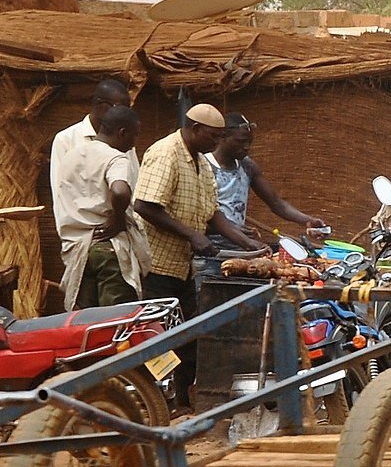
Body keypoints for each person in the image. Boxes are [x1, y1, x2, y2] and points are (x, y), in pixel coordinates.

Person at [136, 104, 252, 402]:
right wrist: (192, 235)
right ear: (195, 129)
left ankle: (185, 401)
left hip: (183, 267)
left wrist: (247, 244)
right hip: (157, 265)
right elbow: (145, 206)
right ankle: (153, 402)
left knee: (190, 336)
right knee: (154, 337)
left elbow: (213, 214)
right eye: (213, 137)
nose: (216, 144)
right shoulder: (166, 154)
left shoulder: (200, 162)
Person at [54, 102, 146, 308]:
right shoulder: (116, 158)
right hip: (108, 249)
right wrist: (118, 218)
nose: (134, 143)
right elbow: (120, 190)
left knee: (87, 325)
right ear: (122, 133)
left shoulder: (71, 156)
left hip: (78, 251)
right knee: (115, 324)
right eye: (135, 135)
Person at [210, 116, 328, 246]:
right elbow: (203, 215)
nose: (246, 147)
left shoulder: (247, 166)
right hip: (210, 245)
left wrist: (308, 221)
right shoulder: (206, 166)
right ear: (224, 136)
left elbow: (277, 204)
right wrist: (238, 234)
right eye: (241, 141)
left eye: (249, 142)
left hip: (239, 244)